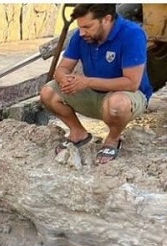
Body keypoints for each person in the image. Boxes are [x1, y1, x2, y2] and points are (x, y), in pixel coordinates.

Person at [39, 3, 152, 165]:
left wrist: (87, 82)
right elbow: (62, 68)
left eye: (87, 26)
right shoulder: (81, 36)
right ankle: (78, 133)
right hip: (93, 93)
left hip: (128, 96)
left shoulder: (132, 34)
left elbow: (132, 83)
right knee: (48, 92)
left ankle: (113, 140)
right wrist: (64, 78)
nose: (82, 32)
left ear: (106, 19)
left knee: (117, 104)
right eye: (80, 27)